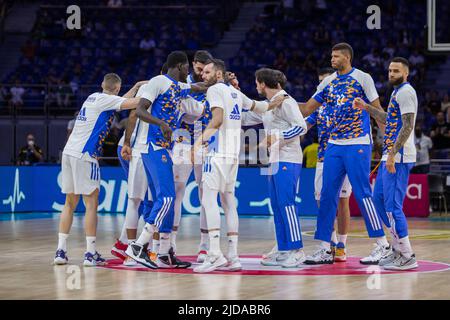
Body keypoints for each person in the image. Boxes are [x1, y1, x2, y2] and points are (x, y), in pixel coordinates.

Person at [192, 60, 286, 273]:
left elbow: (217, 120)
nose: (203, 75)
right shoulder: (235, 93)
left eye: (207, 72)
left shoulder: (215, 90)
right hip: (233, 156)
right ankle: (233, 256)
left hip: (216, 154)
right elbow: (260, 107)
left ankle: (214, 254)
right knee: (228, 203)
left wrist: (198, 142)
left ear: (218, 75)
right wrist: (277, 100)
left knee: (208, 201)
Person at [300, 43, 388, 265]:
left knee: (362, 193)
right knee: (327, 195)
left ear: (347, 58)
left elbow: (379, 112)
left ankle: (382, 244)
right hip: (333, 145)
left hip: (358, 142)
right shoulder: (328, 82)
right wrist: (279, 99)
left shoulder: (363, 78)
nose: (332, 59)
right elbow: (307, 109)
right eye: (331, 55)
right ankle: (324, 249)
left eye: (336, 56)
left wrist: (387, 142)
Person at [53, 73, 146, 266]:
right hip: (85, 155)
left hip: (69, 152)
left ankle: (60, 251)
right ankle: (90, 253)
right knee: (91, 205)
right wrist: (153, 92)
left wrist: (136, 85)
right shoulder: (106, 100)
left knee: (69, 202)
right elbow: (132, 103)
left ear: (103, 84)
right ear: (117, 88)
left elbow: (120, 100)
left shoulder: (93, 97)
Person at [125, 51, 205, 269]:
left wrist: (219, 83)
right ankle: (138, 246)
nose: (189, 71)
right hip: (153, 147)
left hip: (165, 150)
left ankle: (163, 252)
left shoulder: (179, 88)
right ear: (179, 66)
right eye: (187, 66)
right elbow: (139, 110)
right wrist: (162, 124)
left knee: (164, 201)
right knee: (167, 198)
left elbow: (198, 88)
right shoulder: (158, 81)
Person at [354, 57, 418, 270]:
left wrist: (392, 154)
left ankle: (407, 255)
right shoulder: (396, 92)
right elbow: (390, 119)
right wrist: (366, 107)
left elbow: (407, 126)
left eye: (396, 71)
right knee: (378, 199)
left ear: (406, 73)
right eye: (390, 70)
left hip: (398, 157)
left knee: (392, 207)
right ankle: (397, 248)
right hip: (389, 156)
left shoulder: (407, 92)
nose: (391, 74)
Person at [241, 68, 308, 268]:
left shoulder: (287, 101)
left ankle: (297, 250)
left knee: (287, 205)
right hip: (274, 160)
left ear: (262, 83)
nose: (256, 86)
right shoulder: (268, 106)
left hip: (289, 159)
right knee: (278, 206)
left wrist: (277, 137)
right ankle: (283, 247)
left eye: (256, 83)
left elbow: (301, 127)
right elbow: (244, 119)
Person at [304, 67, 352, 262]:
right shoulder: (318, 108)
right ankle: (329, 242)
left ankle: (341, 245)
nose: (323, 86)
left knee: (342, 202)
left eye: (326, 82)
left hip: (344, 158)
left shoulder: (347, 105)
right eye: (320, 83)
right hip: (323, 159)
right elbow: (303, 126)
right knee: (321, 201)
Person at [171, 50, 213, 261]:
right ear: (193, 64)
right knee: (177, 192)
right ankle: (170, 243)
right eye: (199, 69)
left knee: (205, 193)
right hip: (182, 143)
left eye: (206, 71)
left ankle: (204, 245)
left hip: (204, 144)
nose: (202, 73)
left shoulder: (214, 84)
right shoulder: (182, 82)